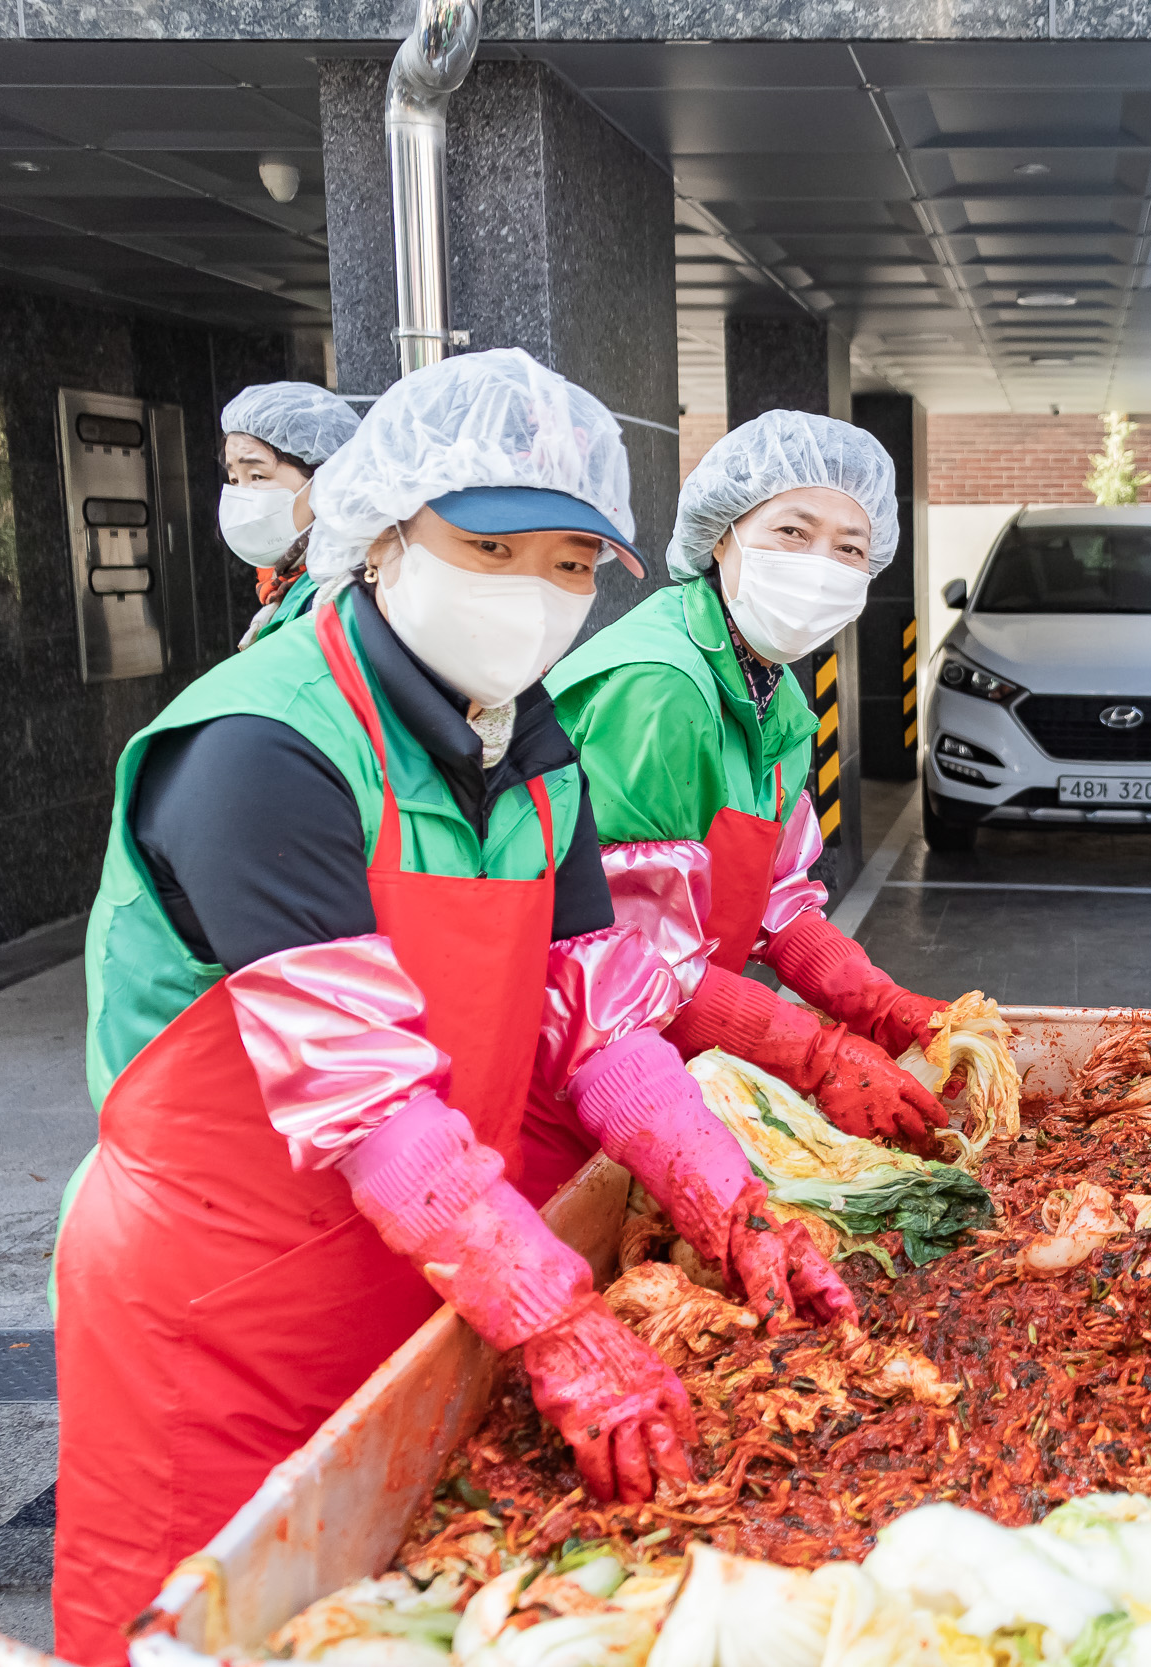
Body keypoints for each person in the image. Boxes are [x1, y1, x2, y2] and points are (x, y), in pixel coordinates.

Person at [53, 350, 852, 1667]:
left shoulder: (528, 752)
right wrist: (558, 1319)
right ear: (380, 535)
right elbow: (367, 1099)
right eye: (488, 543)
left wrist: (732, 1199)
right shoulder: (263, 748)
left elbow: (597, 1017)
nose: (532, 593)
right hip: (217, 1314)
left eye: (570, 562)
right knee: (206, 1625)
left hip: (424, 1275)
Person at [546, 410, 956, 1157]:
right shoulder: (662, 685)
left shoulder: (772, 701)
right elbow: (634, 961)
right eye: (792, 533)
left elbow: (774, 897)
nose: (820, 564)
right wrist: (817, 1054)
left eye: (850, 547)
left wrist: (880, 1003)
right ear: (722, 533)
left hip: (666, 1056)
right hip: (578, 1079)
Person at [218, 380, 361, 647]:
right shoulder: (282, 586)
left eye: (258, 476)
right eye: (234, 480)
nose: (242, 494)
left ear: (326, 478)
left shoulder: (350, 591)